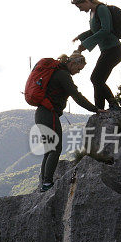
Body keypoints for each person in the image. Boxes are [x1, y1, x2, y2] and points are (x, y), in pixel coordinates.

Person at [36, 52, 106, 191]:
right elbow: (77, 96)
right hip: (49, 114)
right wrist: (95, 109)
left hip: (41, 114)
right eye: (79, 69)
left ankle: (44, 183)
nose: (78, 72)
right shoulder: (63, 75)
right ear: (73, 63)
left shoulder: (57, 72)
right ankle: (47, 183)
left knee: (49, 150)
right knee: (56, 149)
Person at [71, 0, 121, 110]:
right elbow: (94, 30)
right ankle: (100, 109)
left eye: (80, 6)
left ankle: (113, 106)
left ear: (85, 1)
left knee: (96, 78)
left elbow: (105, 30)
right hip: (106, 50)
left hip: (114, 50)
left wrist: (85, 44)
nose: (80, 9)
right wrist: (80, 37)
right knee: (97, 80)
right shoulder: (92, 12)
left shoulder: (101, 9)